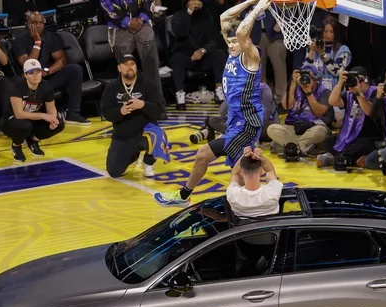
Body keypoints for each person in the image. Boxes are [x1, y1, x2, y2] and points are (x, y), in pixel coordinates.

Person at [154, 0, 270, 207]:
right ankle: (257, 203)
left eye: (236, 41)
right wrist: (250, 1)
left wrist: (259, 7)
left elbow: (243, 32)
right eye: (229, 41)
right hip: (236, 121)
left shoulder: (251, 57)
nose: (232, 44)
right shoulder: (233, 50)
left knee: (205, 156)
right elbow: (224, 18)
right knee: (243, 169)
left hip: (247, 124)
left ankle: (184, 195)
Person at [12, 12, 89, 125]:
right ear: (27, 24)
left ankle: (73, 113)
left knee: (75, 69)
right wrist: (37, 42)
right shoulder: (19, 40)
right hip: (30, 83)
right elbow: (28, 64)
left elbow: (61, 59)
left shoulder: (49, 36)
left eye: (41, 23)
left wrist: (46, 72)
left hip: (46, 79)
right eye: (34, 23)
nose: (38, 26)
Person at [101, 54, 165, 178]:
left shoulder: (148, 84)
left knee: (157, 135)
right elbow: (106, 113)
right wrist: (121, 112)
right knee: (113, 171)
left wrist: (143, 105)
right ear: (119, 68)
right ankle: (134, 154)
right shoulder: (112, 87)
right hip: (123, 135)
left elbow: (159, 110)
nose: (130, 67)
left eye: (132, 64)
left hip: (144, 132)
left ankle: (148, 161)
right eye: (126, 64)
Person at [101, 0, 166, 117]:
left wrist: (141, 19)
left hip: (142, 23)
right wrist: (128, 22)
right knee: (125, 69)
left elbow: (150, 2)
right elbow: (107, 6)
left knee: (151, 65)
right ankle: (125, 107)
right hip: (118, 26)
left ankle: (157, 107)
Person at [0, 59, 65, 163]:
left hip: (32, 120)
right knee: (25, 126)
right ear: (25, 75)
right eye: (31, 73)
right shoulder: (16, 87)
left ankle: (32, 140)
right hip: (11, 121)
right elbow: (19, 114)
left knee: (59, 124)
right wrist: (44, 116)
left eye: (38, 72)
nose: (35, 75)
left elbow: (51, 109)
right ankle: (16, 146)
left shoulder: (46, 87)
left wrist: (52, 120)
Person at [227, 146, 282, 218]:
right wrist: (261, 156)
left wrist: (244, 155)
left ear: (241, 173)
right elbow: (270, 170)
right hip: (272, 229)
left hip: (245, 228)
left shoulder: (233, 194)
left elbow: (235, 173)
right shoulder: (273, 191)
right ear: (261, 171)